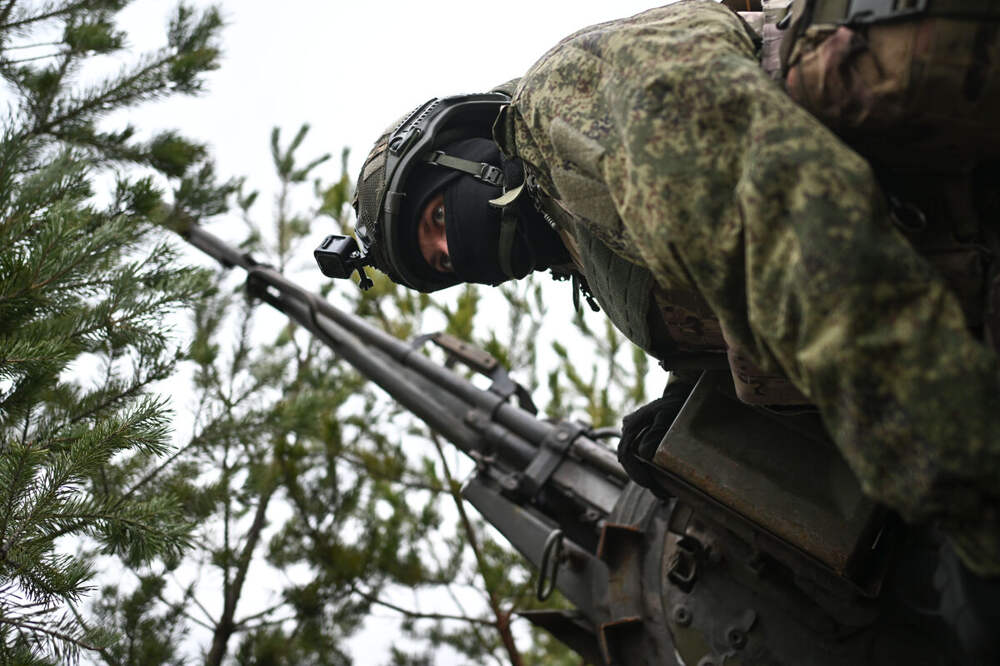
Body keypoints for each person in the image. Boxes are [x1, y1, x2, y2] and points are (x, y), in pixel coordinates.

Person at [319, 0, 1000, 630]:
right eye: (440, 264)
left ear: (462, 150)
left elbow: (779, 227)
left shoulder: (557, 104)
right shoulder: (578, 235)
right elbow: (728, 274)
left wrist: (961, 488)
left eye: (437, 218)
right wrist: (695, 396)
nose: (450, 250)